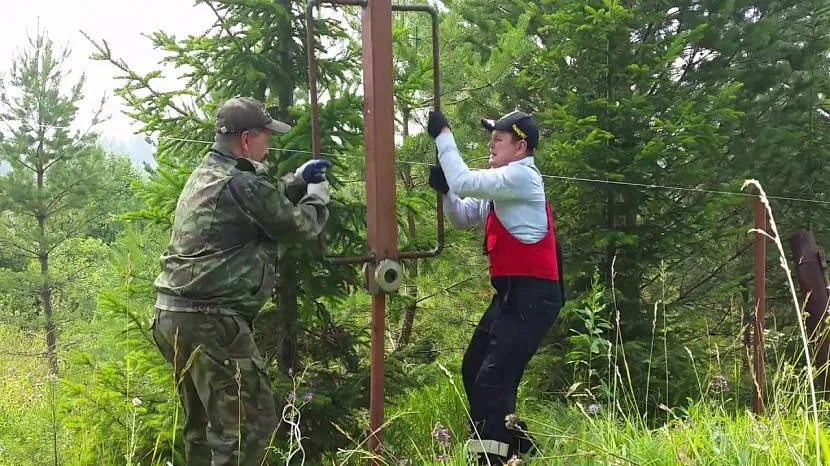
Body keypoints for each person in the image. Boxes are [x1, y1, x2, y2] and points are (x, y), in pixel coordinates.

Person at [151, 96, 333, 466]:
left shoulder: (208, 172)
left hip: (172, 317)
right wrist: (317, 197)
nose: (270, 144)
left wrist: (296, 180)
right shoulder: (241, 183)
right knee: (247, 425)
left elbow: (258, 198)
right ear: (247, 139)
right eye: (267, 136)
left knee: (201, 430)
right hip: (210, 321)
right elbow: (296, 225)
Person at [426, 110, 564, 465]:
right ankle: (519, 449)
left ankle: (491, 458)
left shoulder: (521, 177)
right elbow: (461, 217)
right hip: (511, 295)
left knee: (492, 379)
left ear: (521, 147)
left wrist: (443, 135)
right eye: (492, 136)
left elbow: (464, 180)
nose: (491, 143)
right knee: (474, 368)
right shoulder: (502, 182)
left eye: (498, 138)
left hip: (534, 296)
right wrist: (444, 192)